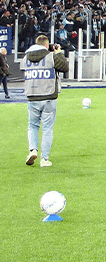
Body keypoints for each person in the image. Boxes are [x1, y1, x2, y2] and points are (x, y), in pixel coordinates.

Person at [22, 34, 68, 167]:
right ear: (47, 45)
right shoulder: (51, 56)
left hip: (32, 96)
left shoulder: (25, 58)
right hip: (48, 96)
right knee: (47, 129)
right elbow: (64, 67)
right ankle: (44, 159)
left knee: (32, 126)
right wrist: (59, 53)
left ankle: (33, 150)